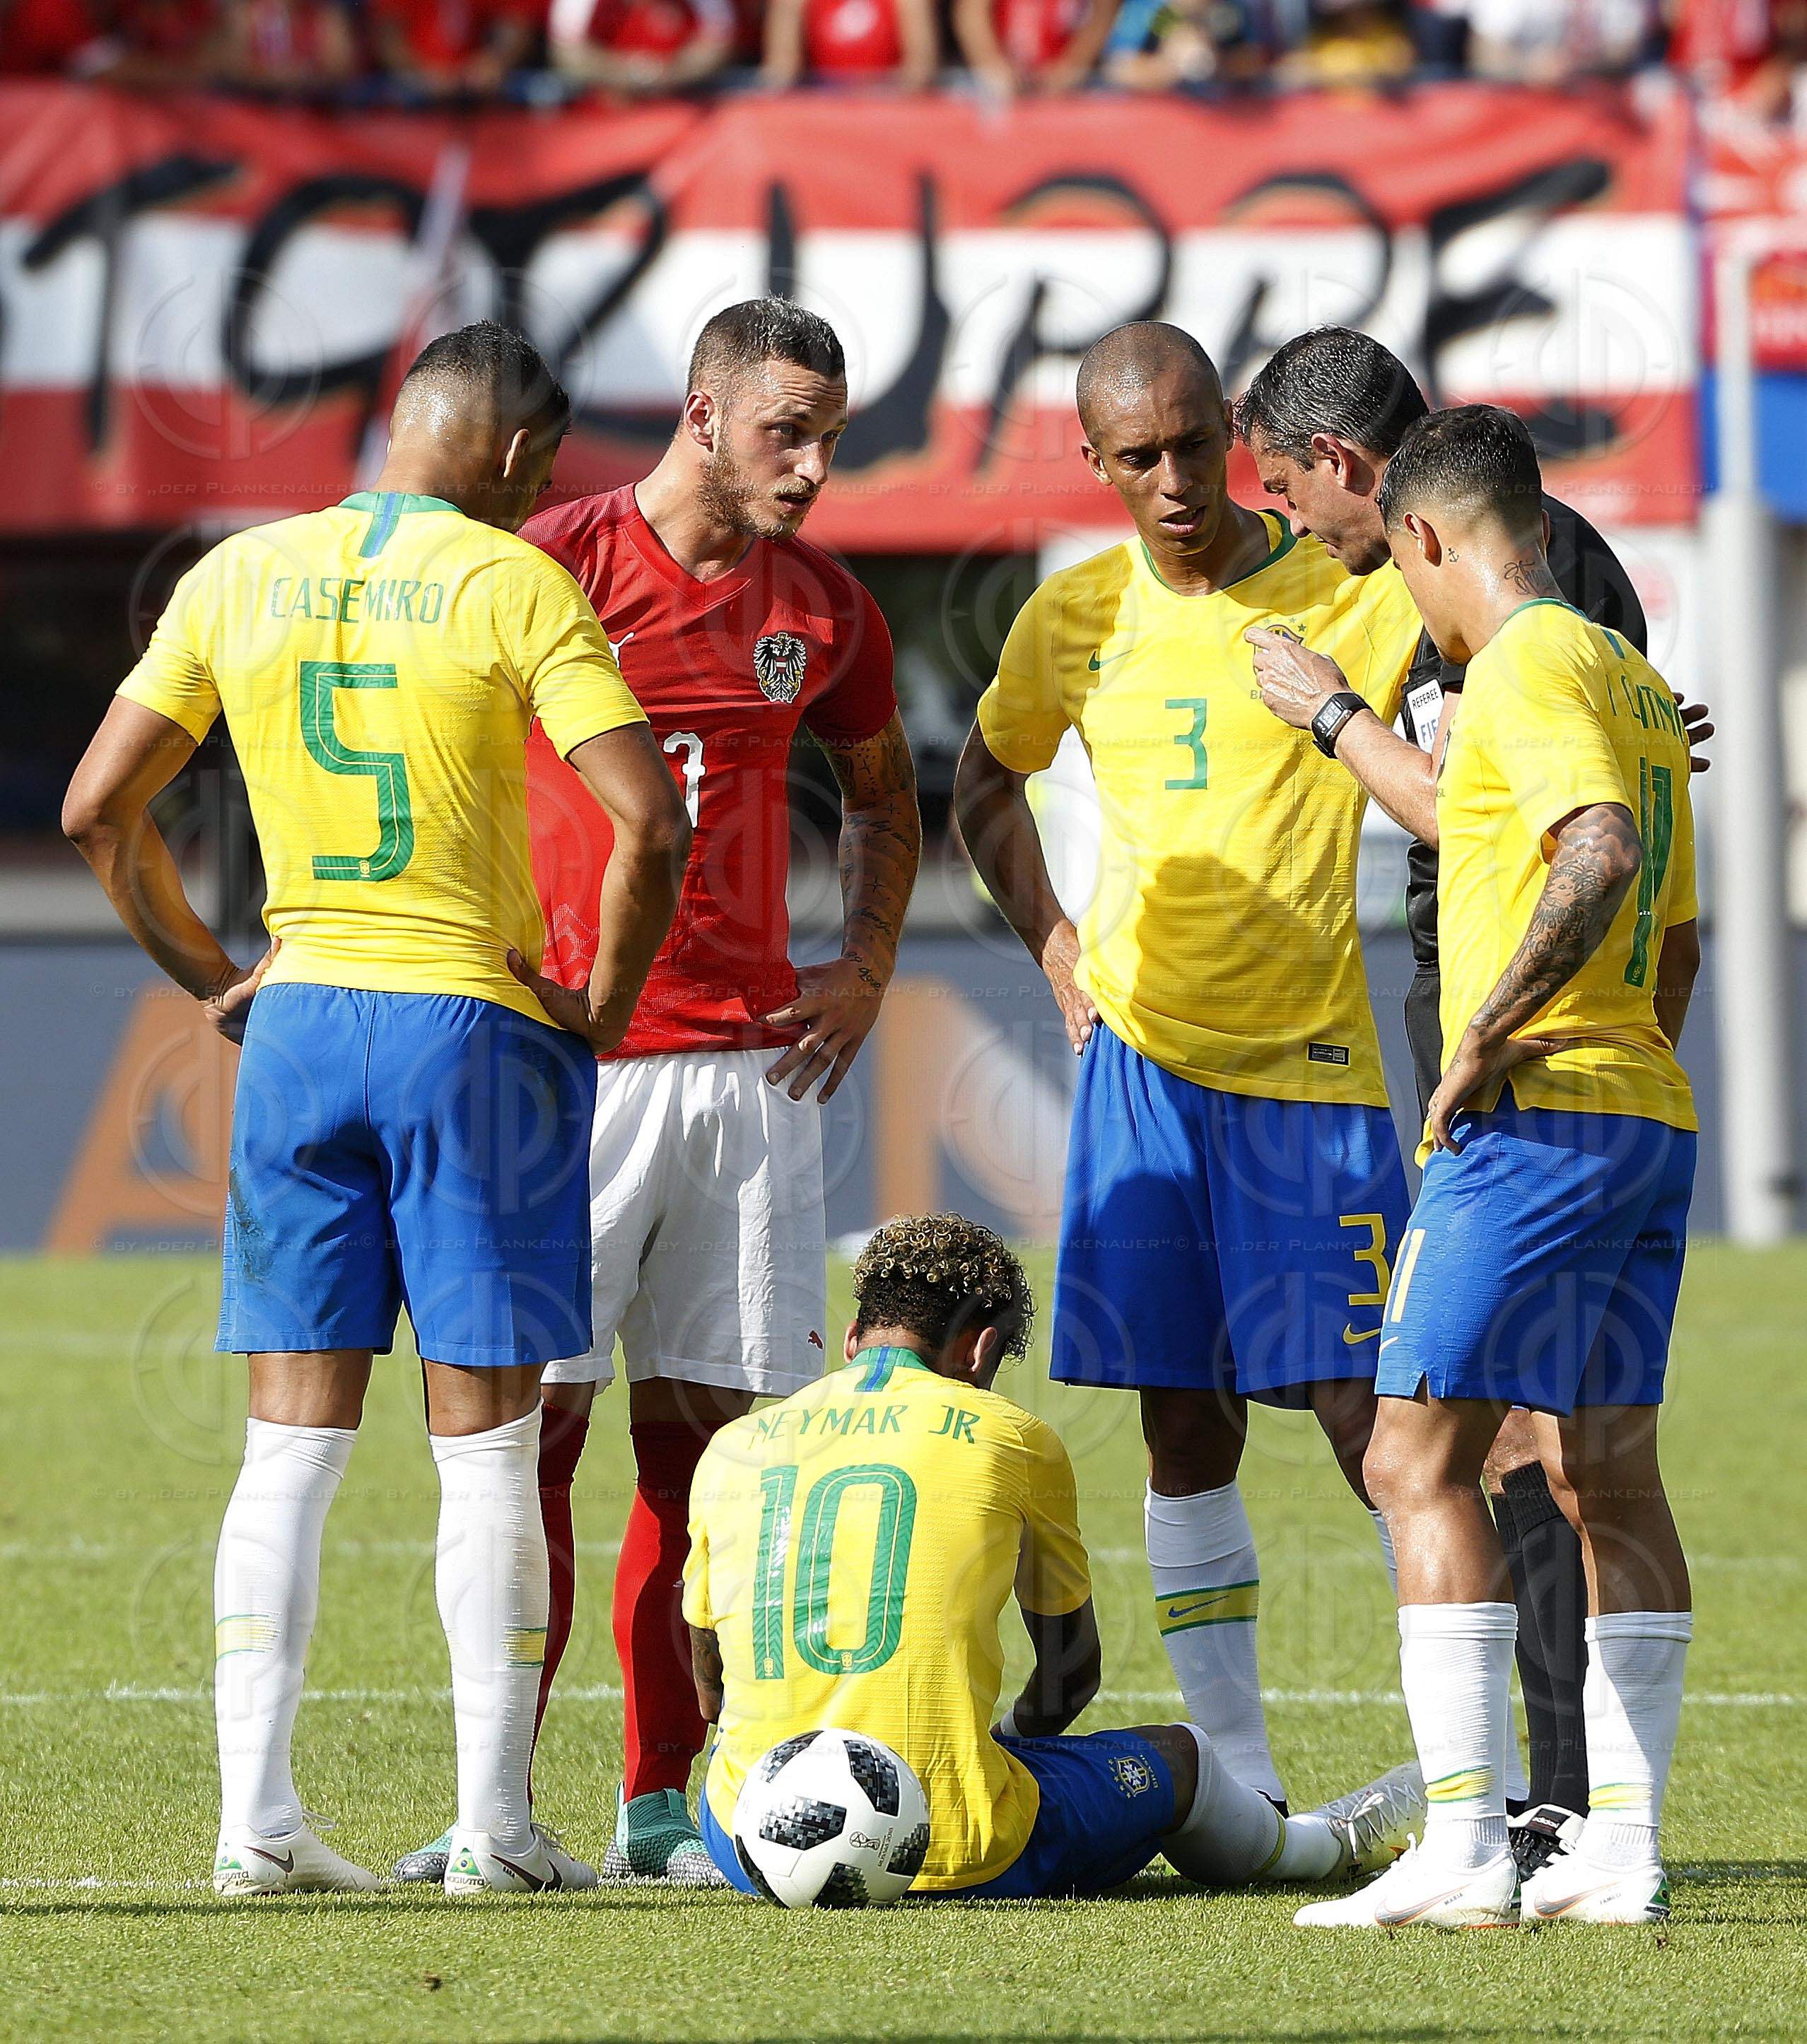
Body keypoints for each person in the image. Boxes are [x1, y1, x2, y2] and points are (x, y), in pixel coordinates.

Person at [62, 322, 690, 1897]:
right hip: (466, 1030)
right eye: (540, 463)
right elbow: (650, 820)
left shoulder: (233, 576)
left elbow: (94, 810)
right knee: (484, 1451)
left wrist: (217, 974)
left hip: (302, 1026)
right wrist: (601, 1007)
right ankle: (495, 1830)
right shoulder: (512, 581)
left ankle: (251, 1831)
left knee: (286, 1456)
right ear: (505, 452)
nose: (542, 485)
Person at [394, 299, 918, 1889]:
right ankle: (496, 1808)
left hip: (755, 1079)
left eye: (831, 436)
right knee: (527, 1447)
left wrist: (868, 960)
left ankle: (655, 1804)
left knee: (713, 1464)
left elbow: (889, 793)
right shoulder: (547, 559)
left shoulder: (823, 608)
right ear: (701, 411)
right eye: (788, 432)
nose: (816, 467)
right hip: (573, 1065)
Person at [1238, 323, 1709, 1876]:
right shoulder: (1597, 653)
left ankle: (1495, 1832)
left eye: (1297, 497)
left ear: (1393, 501)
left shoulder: (1529, 630)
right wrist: (1637, 1056)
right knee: (1586, 1457)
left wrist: (1493, 1037)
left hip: (1530, 1085)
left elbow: (1577, 841)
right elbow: (1664, 885)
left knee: (1430, 1451)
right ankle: (1603, 1839)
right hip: (1625, 1091)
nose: (1298, 530)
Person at [952, 321, 1422, 1818]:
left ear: (1235, 428)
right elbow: (984, 783)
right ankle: (1240, 1782)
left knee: (1373, 1426)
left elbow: (1514, 610)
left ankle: (1484, 1773)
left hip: (1313, 1070)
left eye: (1191, 444)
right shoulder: (1074, 615)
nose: (1171, 481)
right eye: (1134, 457)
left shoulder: (1349, 586)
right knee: (1183, 1424)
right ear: (1092, 462)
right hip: (1144, 1076)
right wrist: (1050, 937)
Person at [684, 1214, 1427, 1899]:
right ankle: (1325, 1847)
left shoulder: (735, 1446)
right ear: (979, 1349)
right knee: (1185, 1759)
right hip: (955, 1845)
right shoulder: (1008, 1436)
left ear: (851, 1339)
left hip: (745, 1834)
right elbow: (1070, 1677)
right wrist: (991, 1748)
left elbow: (711, 1690)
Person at [547, 0, 735, 95]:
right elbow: (568, 54)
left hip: (678, 111)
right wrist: (626, 74)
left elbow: (716, 45)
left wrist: (668, 75)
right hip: (601, 116)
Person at [761, 0, 939, 87]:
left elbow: (921, 66)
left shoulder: (909, 4)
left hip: (888, 113)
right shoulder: (795, 4)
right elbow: (781, 69)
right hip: (823, 112)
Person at [952, 0, 1120, 92]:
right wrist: (993, 65)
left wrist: (1072, 66)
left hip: (1071, 79)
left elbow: (1104, 13)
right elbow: (971, 12)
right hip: (1008, 76)